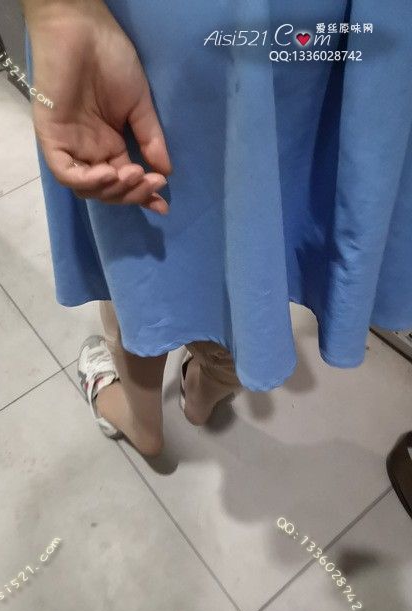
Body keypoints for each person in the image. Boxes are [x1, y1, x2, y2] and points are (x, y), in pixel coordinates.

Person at [22, 0, 412, 457]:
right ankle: (203, 394)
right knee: (257, 242)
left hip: (166, 26)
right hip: (346, 24)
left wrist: (56, 10)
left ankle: (142, 423)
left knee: (140, 252)